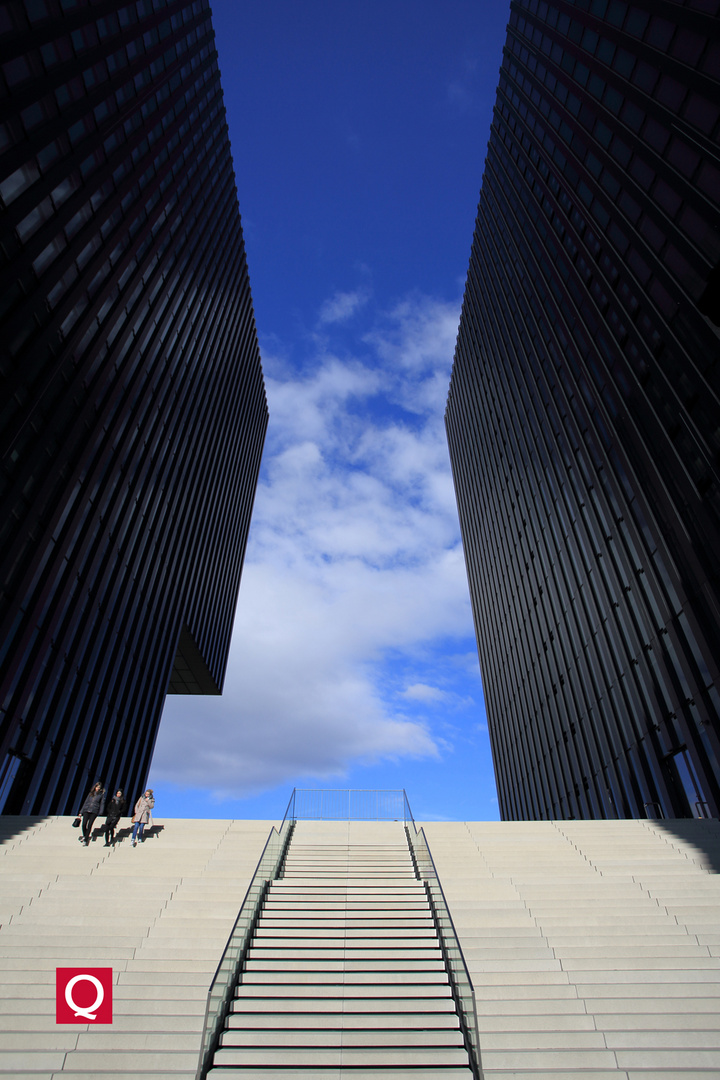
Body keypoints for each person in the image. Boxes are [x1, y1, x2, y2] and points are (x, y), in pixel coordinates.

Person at [78, 781, 105, 846]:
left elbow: (102, 804)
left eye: (99, 787)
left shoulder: (101, 795)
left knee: (90, 825)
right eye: (97, 787)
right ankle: (85, 835)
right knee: (84, 824)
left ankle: (85, 839)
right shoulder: (91, 793)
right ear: (95, 787)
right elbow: (86, 802)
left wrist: (101, 811)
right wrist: (81, 811)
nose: (98, 788)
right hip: (87, 810)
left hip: (94, 811)